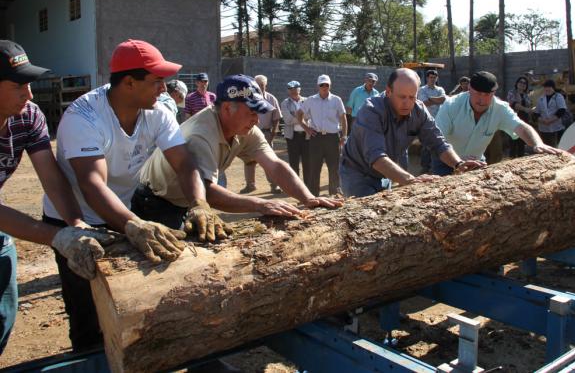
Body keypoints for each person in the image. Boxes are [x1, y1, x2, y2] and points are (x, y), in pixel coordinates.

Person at [42, 39, 221, 351]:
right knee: (87, 310)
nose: (164, 90)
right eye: (156, 82)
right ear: (128, 82)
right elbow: (92, 185)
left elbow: (184, 163)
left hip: (123, 212)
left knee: (134, 300)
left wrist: (199, 203)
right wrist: (133, 225)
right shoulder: (83, 117)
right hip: (75, 221)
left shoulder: (157, 112)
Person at [0, 40, 120, 354]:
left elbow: (51, 177)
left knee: (2, 313)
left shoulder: (27, 116)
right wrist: (58, 237)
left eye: (29, 84)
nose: (28, 94)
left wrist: (76, 226)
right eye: (18, 86)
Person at [135, 75, 342, 226]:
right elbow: (207, 191)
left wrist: (308, 199)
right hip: (156, 203)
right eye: (252, 112)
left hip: (186, 202)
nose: (257, 119)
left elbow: (276, 165)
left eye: (259, 113)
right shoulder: (200, 135)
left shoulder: (245, 127)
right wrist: (260, 204)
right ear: (227, 108)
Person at [340, 68, 481, 198]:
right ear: (388, 92)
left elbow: (438, 144)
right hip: (357, 173)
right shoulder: (371, 111)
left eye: (412, 97)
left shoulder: (419, 110)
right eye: (402, 97)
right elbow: (376, 157)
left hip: (384, 174)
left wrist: (458, 164)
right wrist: (411, 181)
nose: (407, 103)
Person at [432, 71, 560, 176]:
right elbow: (438, 141)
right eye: (478, 94)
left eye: (487, 95)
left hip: (476, 163)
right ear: (469, 89)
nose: (482, 100)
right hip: (446, 162)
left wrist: (538, 144)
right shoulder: (451, 106)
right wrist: (457, 163)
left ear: (494, 93)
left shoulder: (500, 109)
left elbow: (521, 127)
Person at [297, 75, 347, 196]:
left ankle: (334, 193)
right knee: (314, 167)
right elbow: (299, 114)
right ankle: (313, 195)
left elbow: (343, 118)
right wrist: (306, 128)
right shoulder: (310, 100)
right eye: (322, 85)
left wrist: (344, 135)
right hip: (316, 138)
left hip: (332, 138)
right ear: (317, 86)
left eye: (326, 85)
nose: (324, 87)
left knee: (334, 167)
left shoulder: (336, 100)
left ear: (330, 85)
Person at [241, 75, 281, 194]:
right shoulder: (247, 98)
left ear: (265, 85)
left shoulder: (271, 99)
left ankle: (274, 185)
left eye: (262, 85)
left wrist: (274, 133)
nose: (259, 87)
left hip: (266, 133)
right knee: (249, 160)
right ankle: (250, 185)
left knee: (269, 160)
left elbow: (276, 117)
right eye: (257, 85)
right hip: (250, 133)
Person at [280, 80, 310, 186]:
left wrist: (296, 116)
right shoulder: (284, 103)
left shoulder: (307, 101)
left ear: (300, 89)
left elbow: (311, 116)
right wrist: (303, 117)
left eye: (295, 88)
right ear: (288, 91)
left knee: (307, 162)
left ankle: (307, 185)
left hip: (306, 136)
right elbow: (288, 120)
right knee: (294, 163)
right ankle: (296, 186)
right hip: (292, 137)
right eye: (291, 89)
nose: (293, 91)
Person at [417, 69, 446, 173]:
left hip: (439, 120)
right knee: (426, 145)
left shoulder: (440, 89)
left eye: (434, 77)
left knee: (439, 142)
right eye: (431, 77)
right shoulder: (421, 90)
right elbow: (424, 103)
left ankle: (436, 166)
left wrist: (431, 99)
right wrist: (436, 100)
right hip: (426, 120)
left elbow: (443, 99)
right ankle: (425, 168)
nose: (432, 79)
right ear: (427, 78)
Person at [533, 79, 567, 147]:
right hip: (544, 129)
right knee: (547, 148)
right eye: (546, 87)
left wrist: (550, 120)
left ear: (553, 88)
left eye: (549, 87)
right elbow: (536, 113)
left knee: (559, 147)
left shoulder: (558, 96)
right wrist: (543, 121)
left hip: (557, 128)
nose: (547, 89)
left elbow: (562, 110)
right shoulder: (541, 98)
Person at [506, 76, 532, 158]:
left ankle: (520, 159)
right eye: (520, 82)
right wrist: (526, 109)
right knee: (513, 141)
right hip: (514, 119)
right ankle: (512, 159)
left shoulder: (526, 95)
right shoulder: (512, 92)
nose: (522, 84)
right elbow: (513, 104)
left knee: (522, 142)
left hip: (524, 119)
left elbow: (530, 105)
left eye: (525, 83)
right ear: (517, 83)